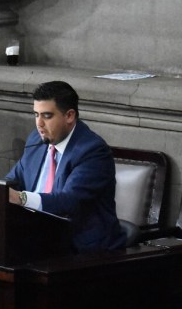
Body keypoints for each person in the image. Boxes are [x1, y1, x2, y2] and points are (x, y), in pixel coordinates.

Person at [7, 81, 126, 252]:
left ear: (69, 116)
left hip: (81, 250)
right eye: (36, 115)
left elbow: (68, 202)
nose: (39, 124)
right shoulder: (37, 140)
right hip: (37, 236)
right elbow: (13, 180)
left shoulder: (92, 151)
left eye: (47, 116)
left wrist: (21, 198)